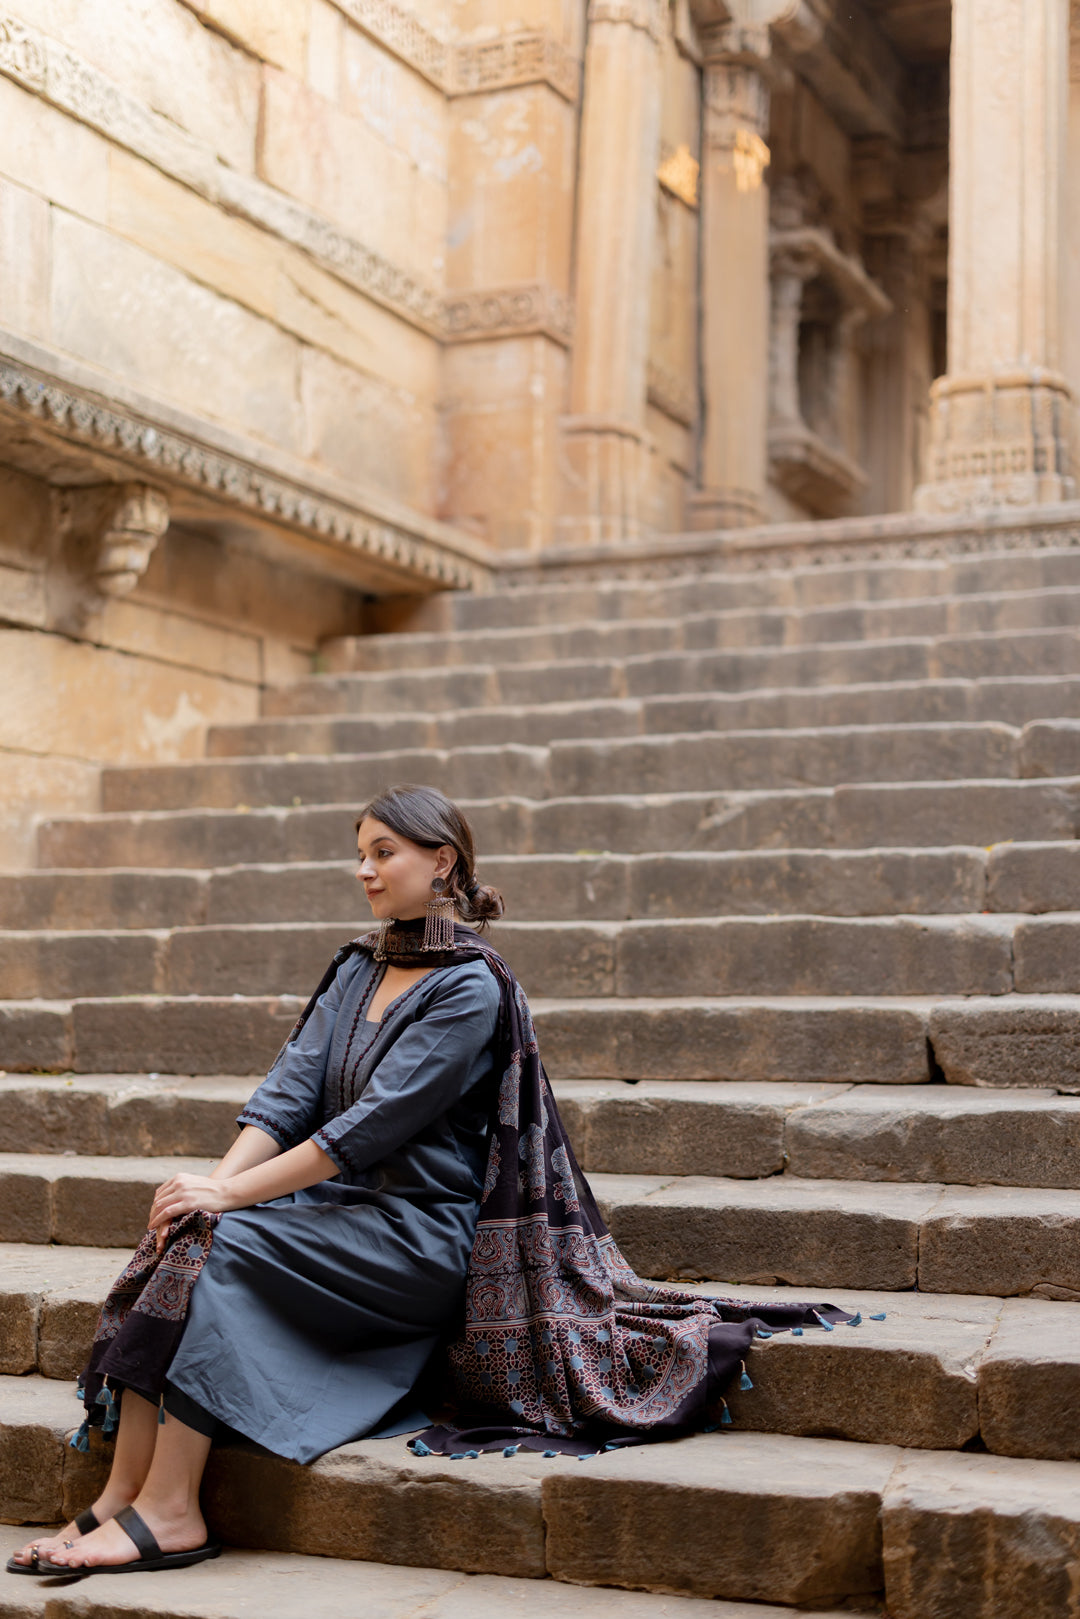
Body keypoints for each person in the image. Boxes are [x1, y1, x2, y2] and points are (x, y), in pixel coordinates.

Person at [9, 783, 853, 1579]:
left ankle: (171, 1509)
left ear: (441, 860)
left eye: (383, 851)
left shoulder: (470, 988)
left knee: (220, 1240)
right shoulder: (356, 969)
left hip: (418, 1240)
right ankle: (119, 1495)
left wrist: (230, 1198)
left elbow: (371, 1124)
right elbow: (289, 1093)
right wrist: (209, 1182)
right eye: (360, 853)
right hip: (336, 1214)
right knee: (188, 1228)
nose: (365, 869)